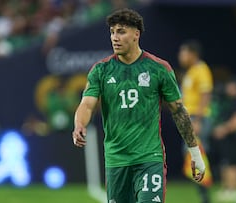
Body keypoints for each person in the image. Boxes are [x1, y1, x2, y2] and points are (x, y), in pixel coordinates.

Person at [72, 8, 205, 203]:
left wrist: (195, 153)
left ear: (136, 34)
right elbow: (87, 105)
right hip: (116, 161)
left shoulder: (159, 69)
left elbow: (179, 112)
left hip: (149, 158)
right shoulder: (101, 70)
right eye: (112, 32)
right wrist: (79, 124)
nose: (115, 38)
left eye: (121, 31)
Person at [178, 40, 213, 203]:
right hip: (189, 118)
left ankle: (205, 194)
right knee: (190, 154)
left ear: (193, 54)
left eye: (184, 53)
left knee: (197, 154)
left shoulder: (201, 70)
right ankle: (203, 192)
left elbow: (206, 95)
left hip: (198, 118)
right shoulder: (191, 71)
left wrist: (197, 121)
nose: (181, 56)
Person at [211, 77, 236, 202]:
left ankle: (235, 190)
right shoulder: (227, 102)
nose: (228, 89)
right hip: (226, 139)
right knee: (225, 163)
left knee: (233, 164)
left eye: (231, 87)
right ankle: (227, 189)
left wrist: (223, 130)